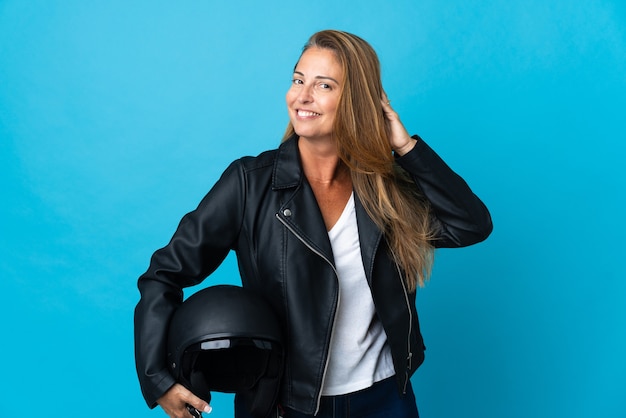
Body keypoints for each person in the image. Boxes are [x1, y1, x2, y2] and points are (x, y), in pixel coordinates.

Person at [134, 29, 492, 418]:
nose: (301, 96)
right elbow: (163, 274)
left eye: (323, 85)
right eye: (297, 80)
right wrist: (158, 379)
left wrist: (405, 147)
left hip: (386, 399)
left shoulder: (386, 186)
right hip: (287, 406)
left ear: (355, 100)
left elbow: (470, 225)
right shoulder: (249, 184)